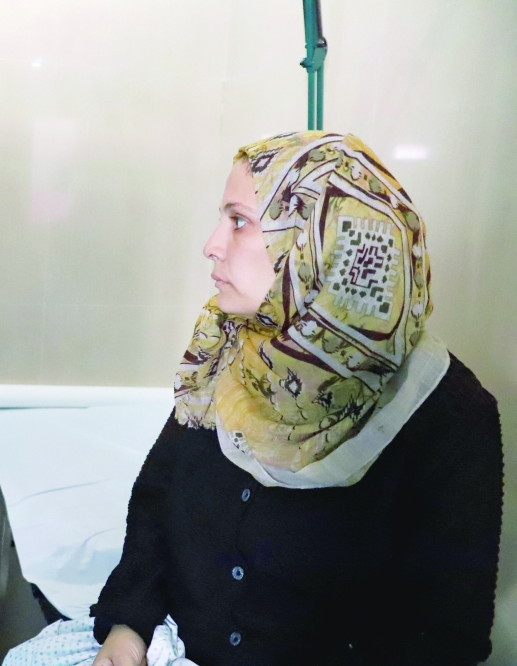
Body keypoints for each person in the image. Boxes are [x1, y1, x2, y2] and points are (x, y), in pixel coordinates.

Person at [89, 131, 503, 666]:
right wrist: (128, 627)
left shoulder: (450, 418)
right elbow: (156, 501)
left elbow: (445, 636)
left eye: (238, 221)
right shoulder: (230, 351)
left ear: (322, 243)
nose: (212, 244)